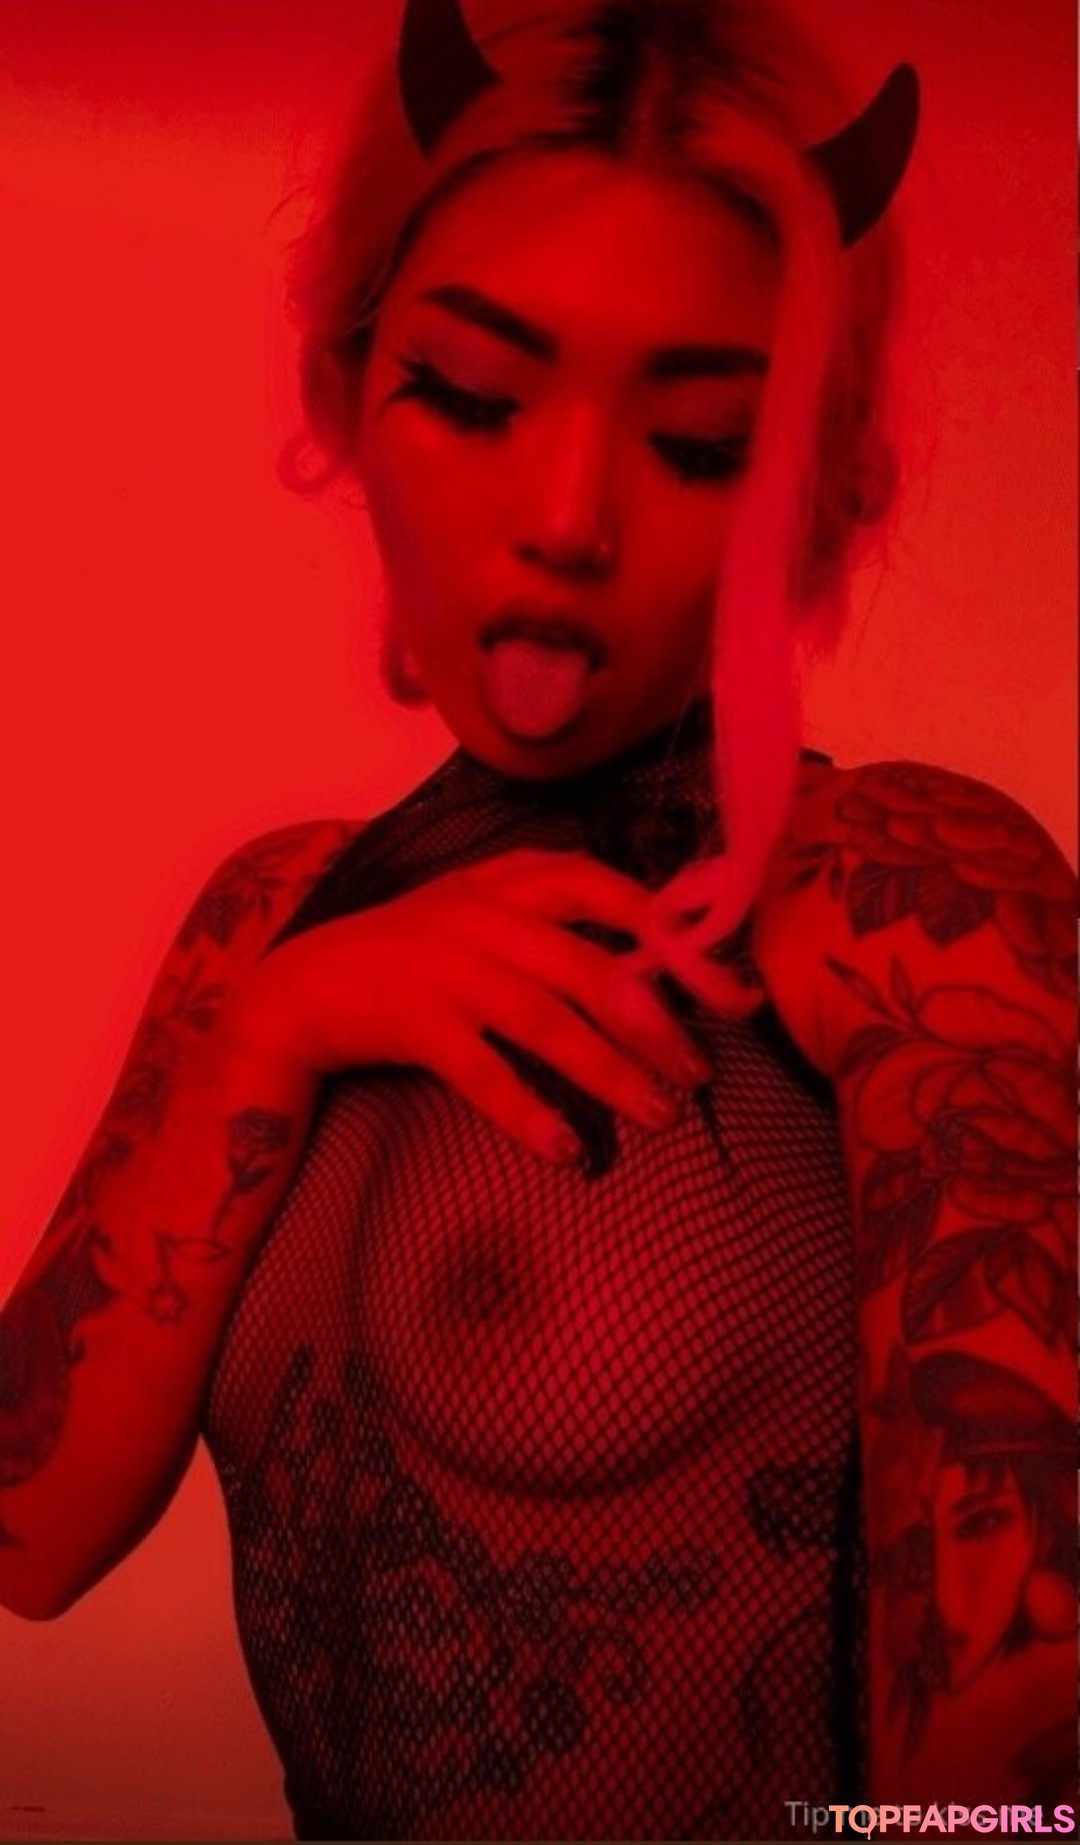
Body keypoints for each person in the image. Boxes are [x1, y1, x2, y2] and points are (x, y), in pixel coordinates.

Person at [1, 0, 1075, 1838]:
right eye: (478, 398)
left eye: (702, 442)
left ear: (815, 491)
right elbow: (27, 1530)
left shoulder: (907, 900)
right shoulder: (269, 921)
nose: (568, 517)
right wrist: (272, 1028)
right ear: (346, 392)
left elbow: (1020, 1783)